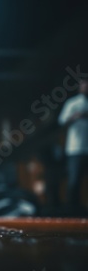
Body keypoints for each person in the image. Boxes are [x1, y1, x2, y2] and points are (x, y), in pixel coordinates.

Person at [58, 78, 88, 216]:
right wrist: (76, 116)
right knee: (74, 180)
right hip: (75, 149)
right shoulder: (73, 103)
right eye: (83, 84)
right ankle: (71, 211)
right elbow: (62, 121)